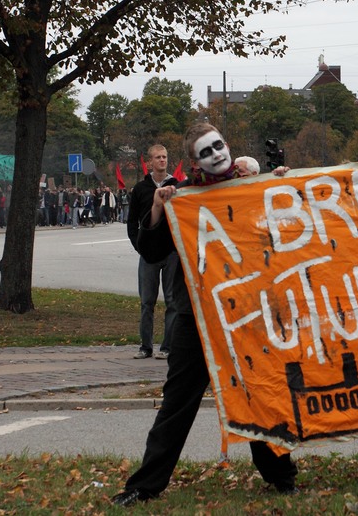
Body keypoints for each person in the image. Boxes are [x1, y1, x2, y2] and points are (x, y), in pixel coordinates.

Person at [112, 123, 298, 507]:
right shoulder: (183, 198)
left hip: (244, 315)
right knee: (178, 401)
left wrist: (279, 185)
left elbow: (284, 233)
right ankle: (145, 485)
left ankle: (282, 477)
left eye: (219, 145)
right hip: (194, 318)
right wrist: (159, 209)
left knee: (257, 397)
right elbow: (150, 251)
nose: (216, 154)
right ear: (194, 162)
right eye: (206, 151)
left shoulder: (250, 185)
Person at [127, 144, 179, 360]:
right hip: (148, 254)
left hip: (171, 252)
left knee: (172, 302)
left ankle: (167, 347)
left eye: (165, 157)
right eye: (157, 157)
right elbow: (132, 222)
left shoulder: (176, 186)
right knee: (147, 301)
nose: (162, 160)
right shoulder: (140, 189)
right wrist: (139, 245)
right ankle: (145, 346)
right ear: (149, 162)